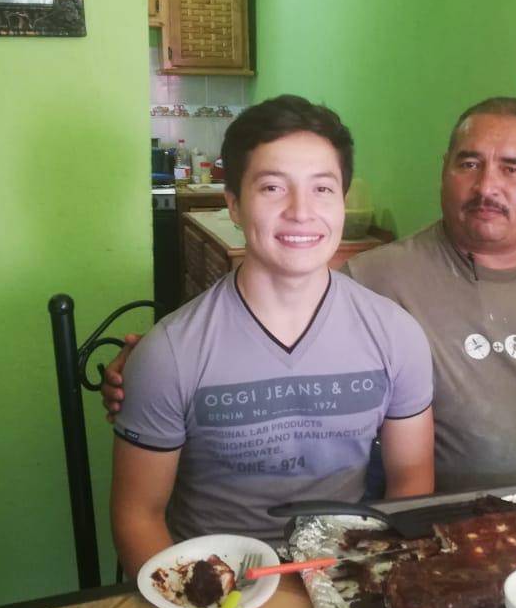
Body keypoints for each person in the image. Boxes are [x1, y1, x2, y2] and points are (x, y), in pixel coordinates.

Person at [106, 97, 516, 499]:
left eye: (512, 169)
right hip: (452, 527)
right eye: (469, 164)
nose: (487, 186)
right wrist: (149, 367)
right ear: (444, 171)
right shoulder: (378, 279)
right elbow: (277, 304)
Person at [111, 95, 434, 576]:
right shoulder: (170, 354)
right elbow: (137, 516)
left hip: (343, 575)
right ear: (234, 205)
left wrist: (368, 578)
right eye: (272, 188)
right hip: (215, 585)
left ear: (342, 202)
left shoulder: (396, 335)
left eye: (322, 189)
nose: (301, 211)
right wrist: (189, 599)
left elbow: (411, 480)